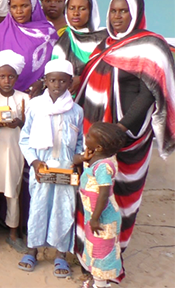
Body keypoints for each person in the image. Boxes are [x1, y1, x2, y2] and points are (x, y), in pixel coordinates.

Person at [74, 0, 175, 283]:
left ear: (136, 13)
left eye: (124, 12)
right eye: (114, 11)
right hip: (95, 131)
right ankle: (87, 254)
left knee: (119, 195)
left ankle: (111, 259)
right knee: (92, 193)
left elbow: (150, 92)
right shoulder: (104, 42)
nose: (117, 18)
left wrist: (121, 128)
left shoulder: (151, 46)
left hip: (128, 135)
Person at [17, 59, 83, 277]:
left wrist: (77, 161)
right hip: (41, 168)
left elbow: (81, 141)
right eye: (52, 80)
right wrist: (34, 162)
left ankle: (61, 254)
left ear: (70, 82)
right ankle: (32, 250)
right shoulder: (35, 106)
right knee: (38, 207)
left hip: (66, 168)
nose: (57, 85)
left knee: (64, 210)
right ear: (45, 81)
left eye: (62, 81)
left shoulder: (76, 111)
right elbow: (25, 138)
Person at [0, 50, 30, 253]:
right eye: (2, 76)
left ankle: (13, 233)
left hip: (14, 151)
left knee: (12, 191)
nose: (6, 80)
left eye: (10, 76)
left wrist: (20, 122)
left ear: (17, 77)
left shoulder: (24, 98)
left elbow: (30, 125)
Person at [0, 0, 57, 95]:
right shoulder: (1, 31)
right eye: (14, 7)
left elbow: (56, 63)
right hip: (2, 95)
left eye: (24, 6)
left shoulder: (48, 33)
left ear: (34, 5)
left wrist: (42, 82)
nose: (19, 11)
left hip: (36, 94)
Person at [74, 122, 127, 288]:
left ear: (98, 146)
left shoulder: (103, 166)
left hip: (103, 217)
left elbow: (104, 193)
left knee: (102, 251)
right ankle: (99, 282)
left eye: (89, 136)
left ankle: (99, 284)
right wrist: (84, 158)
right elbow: (75, 160)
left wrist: (96, 218)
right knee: (95, 248)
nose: (86, 137)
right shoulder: (95, 157)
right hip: (94, 215)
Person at [50, 0, 107, 95]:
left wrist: (82, 79)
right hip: (68, 101)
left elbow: (110, 71)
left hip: (97, 97)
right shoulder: (64, 38)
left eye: (82, 9)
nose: (76, 13)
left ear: (91, 11)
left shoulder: (105, 38)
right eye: (72, 8)